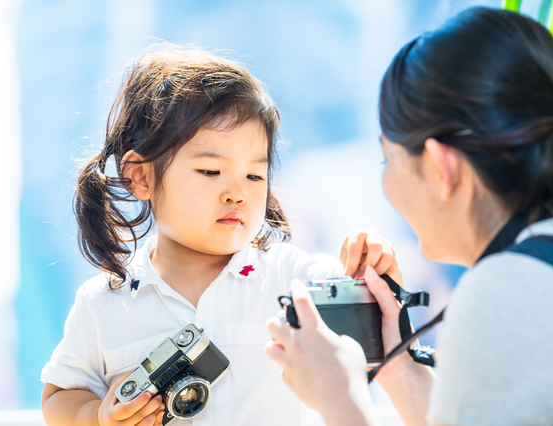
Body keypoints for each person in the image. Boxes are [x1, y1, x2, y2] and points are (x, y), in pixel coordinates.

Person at [265, 7, 553, 426]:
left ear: (442, 167)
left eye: (388, 160)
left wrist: (339, 400)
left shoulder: (506, 293)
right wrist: (397, 360)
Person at [39, 43, 401, 426]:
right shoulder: (102, 304)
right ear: (141, 176)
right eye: (211, 172)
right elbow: (59, 395)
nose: (238, 193)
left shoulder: (286, 277)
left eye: (255, 175)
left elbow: (346, 292)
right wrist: (97, 415)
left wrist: (367, 266)